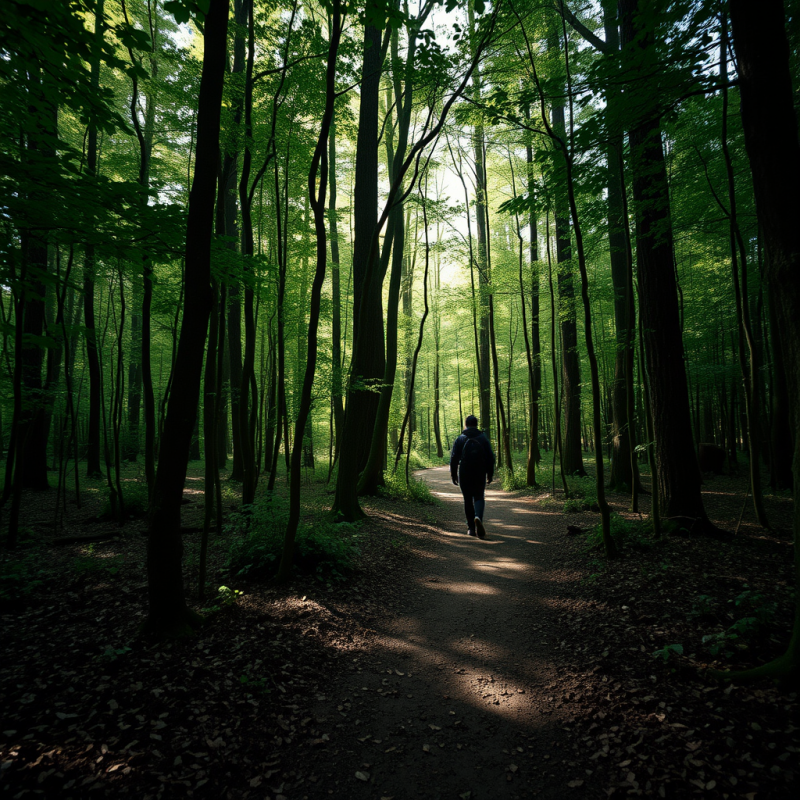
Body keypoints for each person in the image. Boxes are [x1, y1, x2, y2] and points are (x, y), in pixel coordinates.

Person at [449, 415, 495, 539]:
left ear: (466, 424)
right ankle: (478, 517)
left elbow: (454, 458)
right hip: (480, 471)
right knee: (479, 496)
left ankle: (471, 528)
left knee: (468, 499)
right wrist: (490, 474)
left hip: (465, 471)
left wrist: (454, 474)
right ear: (476, 424)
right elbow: (491, 457)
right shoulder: (483, 438)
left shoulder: (461, 438)